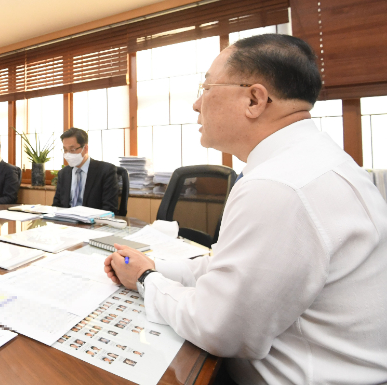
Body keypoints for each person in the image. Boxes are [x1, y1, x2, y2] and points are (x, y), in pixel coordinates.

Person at [104, 34, 387, 384]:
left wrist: (146, 279)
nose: (196, 104)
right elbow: (231, 268)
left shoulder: (279, 186)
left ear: (254, 99)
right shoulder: (309, 160)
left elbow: (219, 328)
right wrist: (156, 264)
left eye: (206, 88)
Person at [53, 128, 118, 212]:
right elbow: (57, 205)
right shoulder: (63, 173)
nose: (68, 154)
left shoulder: (106, 171)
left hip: (93, 222)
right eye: (65, 150)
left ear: (85, 148)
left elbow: (109, 208)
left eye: (72, 150)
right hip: (66, 221)